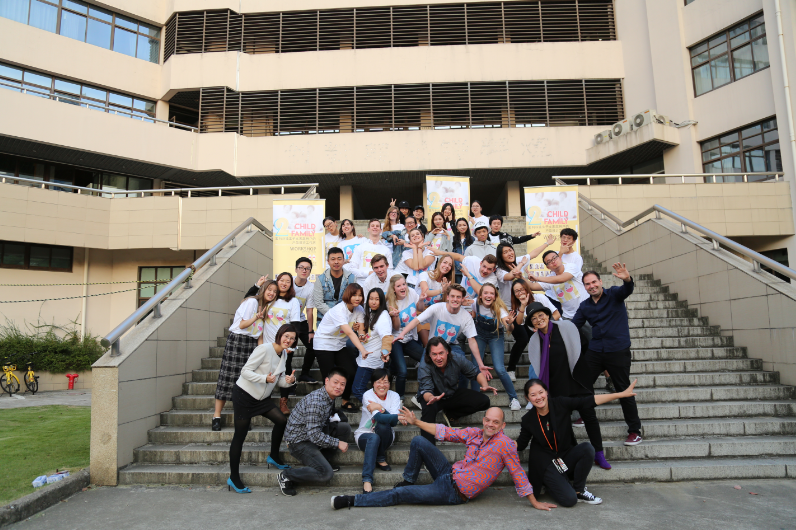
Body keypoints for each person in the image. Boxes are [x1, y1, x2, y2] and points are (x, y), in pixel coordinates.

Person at [330, 404, 539, 510]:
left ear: (503, 425)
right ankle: (409, 479)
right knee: (419, 441)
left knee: (399, 495)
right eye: (488, 420)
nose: (490, 425)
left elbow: (518, 473)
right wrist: (416, 422)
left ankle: (351, 500)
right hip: (448, 474)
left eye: (496, 422)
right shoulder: (475, 433)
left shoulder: (506, 445)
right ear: (484, 420)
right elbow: (444, 432)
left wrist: (534, 502)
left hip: (453, 492)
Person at [517, 378, 639, 507]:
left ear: (546, 392)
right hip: (546, 464)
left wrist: (620, 394)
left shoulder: (560, 403)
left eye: (541, 392)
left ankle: (579, 490)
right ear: (527, 398)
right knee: (569, 500)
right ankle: (550, 484)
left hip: (563, 457)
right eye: (533, 395)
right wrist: (506, 443)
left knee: (587, 448)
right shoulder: (528, 419)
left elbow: (587, 401)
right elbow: (521, 443)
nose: (538, 397)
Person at [524, 302, 610, 470]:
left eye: (541, 315)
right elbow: (538, 366)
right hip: (556, 385)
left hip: (578, 380)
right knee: (563, 423)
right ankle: (574, 454)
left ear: (547, 315)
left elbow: (585, 346)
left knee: (589, 416)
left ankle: (599, 453)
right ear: (532, 323)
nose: (538, 319)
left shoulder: (566, 327)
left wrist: (584, 369)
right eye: (534, 318)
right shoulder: (534, 341)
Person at [572, 264, 642, 446]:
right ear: (584, 287)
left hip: (617, 350)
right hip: (596, 350)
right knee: (582, 382)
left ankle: (634, 431)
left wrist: (627, 279)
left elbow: (627, 289)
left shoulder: (614, 294)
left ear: (600, 282)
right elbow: (572, 327)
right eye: (588, 284)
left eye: (594, 282)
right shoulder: (585, 306)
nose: (592, 286)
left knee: (623, 390)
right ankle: (585, 413)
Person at [227, 324, 298, 493]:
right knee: (240, 435)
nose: (288, 340)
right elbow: (245, 371)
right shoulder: (264, 349)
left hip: (262, 398)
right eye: (286, 336)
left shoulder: (284, 355)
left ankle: (273, 456)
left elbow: (278, 381)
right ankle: (234, 477)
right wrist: (264, 378)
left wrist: (290, 381)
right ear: (279, 335)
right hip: (244, 395)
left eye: (292, 338)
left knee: (281, 420)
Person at [394, 285, 492, 391]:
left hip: (451, 345)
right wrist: (402, 333)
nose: (455, 299)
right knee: (423, 369)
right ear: (448, 297)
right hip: (433, 346)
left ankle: (461, 394)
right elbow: (417, 320)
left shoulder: (466, 317)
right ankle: (423, 394)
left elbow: (472, 341)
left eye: (458, 297)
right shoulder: (437, 308)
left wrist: (480, 364)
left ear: (462, 299)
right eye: (452, 296)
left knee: (464, 367)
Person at [279, 369, 353, 496]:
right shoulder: (316, 402)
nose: (338, 387)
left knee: (344, 428)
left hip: (312, 434)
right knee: (326, 473)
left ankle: (323, 460)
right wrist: (337, 443)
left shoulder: (329, 396)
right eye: (335, 382)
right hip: (299, 442)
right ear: (326, 381)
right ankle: (287, 476)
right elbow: (314, 435)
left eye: (342, 384)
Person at [212, 281, 274, 431]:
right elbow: (242, 324)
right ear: (263, 289)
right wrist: (256, 317)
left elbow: (259, 333)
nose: (272, 293)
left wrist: (261, 352)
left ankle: (242, 418)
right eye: (270, 289)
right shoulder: (252, 302)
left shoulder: (267, 309)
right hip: (237, 341)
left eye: (275, 292)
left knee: (246, 383)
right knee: (227, 379)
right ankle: (216, 416)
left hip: (251, 344)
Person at [415, 338, 496, 443]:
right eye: (434, 354)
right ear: (429, 355)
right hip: (432, 396)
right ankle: (428, 448)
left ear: (447, 351)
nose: (438, 358)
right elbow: (426, 391)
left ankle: (451, 414)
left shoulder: (457, 358)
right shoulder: (424, 366)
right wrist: (432, 398)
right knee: (428, 409)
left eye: (441, 353)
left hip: (451, 394)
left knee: (484, 401)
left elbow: (475, 372)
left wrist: (484, 385)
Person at [313, 283, 370, 412]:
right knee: (329, 377)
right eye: (354, 295)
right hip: (324, 343)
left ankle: (345, 401)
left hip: (339, 345)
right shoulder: (339, 310)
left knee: (351, 372)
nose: (357, 298)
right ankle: (329, 408)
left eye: (360, 295)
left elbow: (360, 329)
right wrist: (362, 350)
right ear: (347, 295)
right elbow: (349, 332)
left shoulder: (359, 309)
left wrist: (362, 336)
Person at [469, 283, 521, 411]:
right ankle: (475, 398)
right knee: (475, 367)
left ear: (495, 296)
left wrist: (510, 324)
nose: (488, 295)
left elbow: (509, 328)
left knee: (499, 368)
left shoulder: (500, 309)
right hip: (479, 335)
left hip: (495, 336)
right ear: (480, 295)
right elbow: (473, 316)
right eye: (486, 293)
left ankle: (514, 398)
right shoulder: (475, 303)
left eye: (492, 293)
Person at [355, 368, 401, 493]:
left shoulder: (394, 396)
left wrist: (380, 407)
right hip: (365, 435)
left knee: (383, 426)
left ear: (390, 384)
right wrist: (390, 415)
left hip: (386, 436)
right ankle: (367, 479)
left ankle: (380, 456)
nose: (382, 385)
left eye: (385, 382)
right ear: (373, 383)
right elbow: (379, 417)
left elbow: (393, 422)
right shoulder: (367, 395)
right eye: (378, 382)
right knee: (374, 436)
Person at [265, 272, 302, 415]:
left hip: (285, 343)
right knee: (266, 370)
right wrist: (257, 285)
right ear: (277, 281)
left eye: (288, 281)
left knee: (285, 370)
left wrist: (292, 345)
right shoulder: (269, 298)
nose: (284, 283)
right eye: (281, 280)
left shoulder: (293, 301)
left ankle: (283, 401)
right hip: (268, 342)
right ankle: (265, 399)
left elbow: (295, 324)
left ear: (291, 284)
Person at [508, 279, 560, 380]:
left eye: (522, 289)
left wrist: (544, 326)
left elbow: (556, 314)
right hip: (538, 332)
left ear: (527, 288)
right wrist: (523, 305)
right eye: (516, 291)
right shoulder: (518, 305)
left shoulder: (539, 297)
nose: (520, 293)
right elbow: (519, 322)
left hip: (552, 330)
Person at [386, 274, 425, 397]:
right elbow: (396, 328)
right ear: (393, 289)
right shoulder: (390, 302)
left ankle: (422, 394)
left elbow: (420, 309)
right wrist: (396, 316)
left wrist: (421, 300)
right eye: (399, 286)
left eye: (404, 284)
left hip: (409, 338)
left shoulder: (411, 293)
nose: (403, 287)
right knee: (402, 371)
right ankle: (400, 399)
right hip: (396, 339)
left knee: (428, 358)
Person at [351, 288, 394, 402]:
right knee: (363, 389)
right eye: (371, 299)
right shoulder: (370, 313)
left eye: (377, 299)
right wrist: (358, 331)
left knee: (357, 389)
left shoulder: (383, 316)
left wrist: (385, 353)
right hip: (365, 357)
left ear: (381, 301)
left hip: (371, 360)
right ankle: (377, 406)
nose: (373, 302)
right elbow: (370, 334)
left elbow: (387, 337)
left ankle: (377, 408)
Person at [526, 250, 589, 324]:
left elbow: (561, 279)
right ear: (547, 267)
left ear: (560, 258)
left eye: (554, 258)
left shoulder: (571, 267)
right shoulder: (550, 278)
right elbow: (532, 286)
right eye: (549, 261)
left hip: (586, 311)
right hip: (568, 317)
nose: (553, 261)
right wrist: (520, 276)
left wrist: (537, 278)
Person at [430, 248, 498, 300]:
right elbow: (459, 257)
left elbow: (481, 292)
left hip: (476, 305)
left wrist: (468, 275)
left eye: (489, 269)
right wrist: (441, 253)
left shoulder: (493, 279)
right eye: (484, 266)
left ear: (494, 270)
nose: (485, 270)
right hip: (460, 299)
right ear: (480, 263)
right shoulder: (473, 261)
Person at [312, 247, 357, 325]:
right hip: (324, 319)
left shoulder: (351, 278)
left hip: (346, 318)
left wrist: (342, 315)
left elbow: (354, 299)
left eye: (339, 259)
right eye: (333, 259)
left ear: (343, 260)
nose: (336, 262)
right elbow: (318, 303)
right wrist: (334, 315)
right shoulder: (320, 279)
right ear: (328, 261)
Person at [291, 258, 318, 384]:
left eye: (307, 268)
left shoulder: (311, 288)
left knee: (313, 346)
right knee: (289, 349)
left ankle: (304, 374)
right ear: (296, 269)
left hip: (300, 321)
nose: (304, 270)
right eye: (301, 267)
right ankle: (287, 377)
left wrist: (311, 331)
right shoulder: (288, 281)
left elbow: (309, 311)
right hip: (286, 321)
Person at [399, 228, 435, 294]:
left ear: (422, 237)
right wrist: (415, 249)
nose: (415, 236)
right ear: (410, 241)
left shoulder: (430, 251)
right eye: (412, 235)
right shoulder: (406, 253)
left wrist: (419, 248)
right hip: (412, 285)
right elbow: (415, 267)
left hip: (428, 285)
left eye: (417, 234)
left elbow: (421, 266)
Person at [451, 218, 474, 284]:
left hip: (469, 270)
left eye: (464, 225)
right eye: (460, 225)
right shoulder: (453, 239)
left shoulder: (472, 239)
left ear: (467, 226)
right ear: (457, 227)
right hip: (457, 271)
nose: (462, 227)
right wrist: (459, 267)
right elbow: (452, 254)